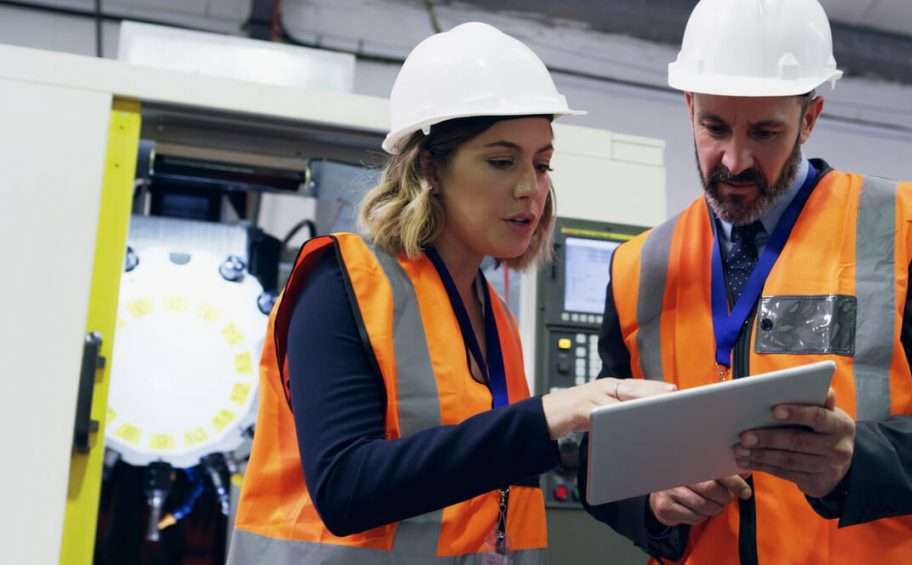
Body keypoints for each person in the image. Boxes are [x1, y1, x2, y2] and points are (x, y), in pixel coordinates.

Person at [580, 1, 912, 563]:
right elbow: (594, 450)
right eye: (714, 127)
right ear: (688, 105)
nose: (735, 161)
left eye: (765, 132)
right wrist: (650, 500)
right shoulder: (637, 267)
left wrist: (856, 461)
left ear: (809, 117)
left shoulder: (909, 225)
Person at [227, 22, 674, 564]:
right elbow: (345, 489)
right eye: (501, 160)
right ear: (428, 168)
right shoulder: (341, 282)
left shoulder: (497, 319)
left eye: (541, 163)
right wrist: (551, 413)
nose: (529, 188)